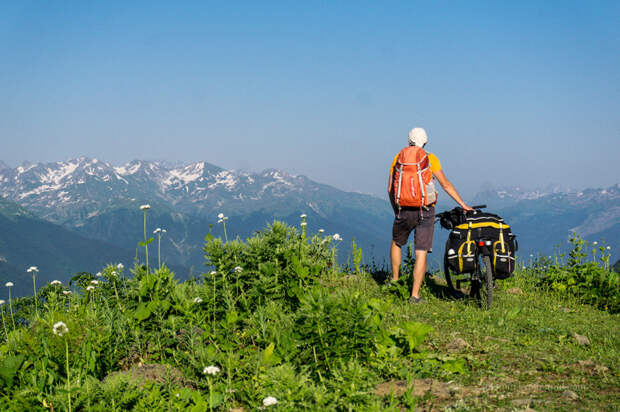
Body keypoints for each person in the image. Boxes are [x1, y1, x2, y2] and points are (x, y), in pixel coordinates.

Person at [388, 127, 472, 303]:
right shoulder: (430, 159)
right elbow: (445, 184)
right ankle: (415, 295)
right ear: (425, 142)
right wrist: (463, 204)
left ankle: (394, 281)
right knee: (421, 252)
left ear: (409, 141)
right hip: (425, 210)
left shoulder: (398, 158)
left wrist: (397, 209)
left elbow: (390, 188)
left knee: (397, 243)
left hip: (403, 208)